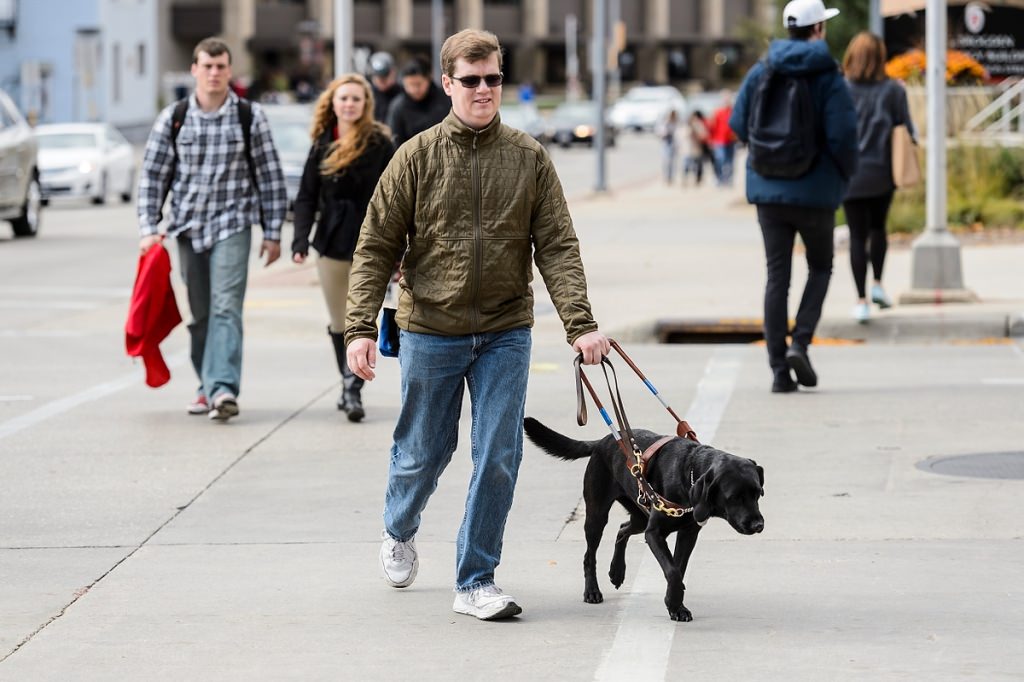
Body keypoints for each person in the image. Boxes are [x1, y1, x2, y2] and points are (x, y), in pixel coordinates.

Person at [345, 28, 610, 621]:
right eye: (471, 80)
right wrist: (359, 327)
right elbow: (375, 246)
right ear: (448, 84)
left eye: (493, 78)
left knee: (498, 452)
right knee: (423, 451)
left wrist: (580, 324)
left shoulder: (528, 157)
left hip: (505, 330)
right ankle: (399, 526)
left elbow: (559, 246)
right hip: (429, 329)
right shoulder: (415, 158)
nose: (484, 89)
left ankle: (475, 580)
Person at [137, 37, 288, 420]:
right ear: (194, 70)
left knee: (225, 308)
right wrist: (148, 226)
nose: (214, 73)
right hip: (188, 227)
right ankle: (205, 385)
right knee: (201, 313)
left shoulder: (249, 117)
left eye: (221, 66)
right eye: (207, 66)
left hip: (232, 225)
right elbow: (153, 177)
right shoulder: (174, 118)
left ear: (230, 71)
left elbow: (270, 179)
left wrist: (272, 233)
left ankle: (223, 389)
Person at [729, 0, 858, 393]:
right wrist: (842, 176)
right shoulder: (829, 74)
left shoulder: (761, 69)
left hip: (768, 191)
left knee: (776, 278)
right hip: (816, 193)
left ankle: (778, 371)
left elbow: (737, 124)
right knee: (820, 267)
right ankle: (800, 343)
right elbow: (843, 137)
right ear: (818, 29)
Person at [291, 75, 395, 421]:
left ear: (365, 104)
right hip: (331, 243)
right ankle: (349, 381)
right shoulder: (321, 144)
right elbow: (306, 196)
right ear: (332, 104)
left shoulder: (379, 143)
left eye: (356, 99)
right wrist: (300, 241)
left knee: (365, 316)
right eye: (343, 98)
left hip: (373, 243)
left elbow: (397, 195)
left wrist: (401, 246)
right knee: (339, 321)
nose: (349, 104)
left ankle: (352, 388)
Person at [841, 32, 915, 324]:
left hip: (850, 174)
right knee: (878, 229)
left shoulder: (842, 89)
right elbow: (906, 129)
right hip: (884, 172)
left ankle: (861, 300)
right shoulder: (894, 91)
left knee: (856, 237)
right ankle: (878, 285)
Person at [385, 57, 452, 148]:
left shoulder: (445, 99)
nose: (414, 90)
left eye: (418, 84)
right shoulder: (398, 106)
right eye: (410, 85)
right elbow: (395, 140)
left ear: (428, 79)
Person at [708, 90, 737, 186]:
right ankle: (720, 178)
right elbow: (712, 127)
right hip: (719, 140)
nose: (726, 100)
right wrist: (711, 140)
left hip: (731, 140)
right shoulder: (718, 112)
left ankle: (728, 180)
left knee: (730, 161)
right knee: (720, 160)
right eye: (725, 98)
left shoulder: (733, 111)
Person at [368, 51, 403, 123]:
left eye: (385, 76)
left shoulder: (403, 94)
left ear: (393, 72)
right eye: (377, 76)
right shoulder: (366, 95)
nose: (381, 80)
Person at [681, 109, 709, 187]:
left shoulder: (698, 124)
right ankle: (685, 179)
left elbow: (704, 134)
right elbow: (683, 136)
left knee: (696, 166)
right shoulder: (686, 126)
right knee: (686, 165)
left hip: (696, 149)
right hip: (687, 149)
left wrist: (697, 134)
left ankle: (697, 179)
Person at [655, 109, 680, 185]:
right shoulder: (665, 123)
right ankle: (666, 177)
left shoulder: (676, 123)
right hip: (666, 143)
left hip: (673, 143)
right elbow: (660, 132)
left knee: (672, 161)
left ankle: (671, 177)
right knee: (666, 161)